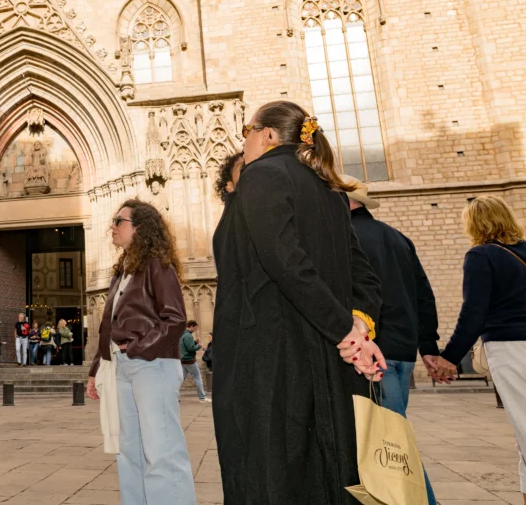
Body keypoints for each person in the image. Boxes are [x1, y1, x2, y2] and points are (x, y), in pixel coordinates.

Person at [212, 100, 386, 504]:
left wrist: (346, 331)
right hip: (327, 358)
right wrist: (357, 328)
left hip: (272, 357)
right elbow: (363, 274)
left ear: (268, 135)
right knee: (328, 471)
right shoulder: (329, 189)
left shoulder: (262, 175)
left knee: (271, 470)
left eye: (247, 131)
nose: (245, 142)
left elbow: (284, 261)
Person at [86, 200, 196, 505]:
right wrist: (97, 368)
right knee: (129, 451)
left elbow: (175, 319)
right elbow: (108, 325)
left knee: (161, 450)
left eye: (118, 221)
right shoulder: (122, 271)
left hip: (153, 365)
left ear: (140, 228)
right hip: (122, 367)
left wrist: (138, 348)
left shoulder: (157, 266)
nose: (112, 226)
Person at [345, 175, 440, 505]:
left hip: (372, 356)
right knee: (388, 433)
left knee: (391, 443)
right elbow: (424, 296)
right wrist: (428, 347)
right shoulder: (399, 238)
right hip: (402, 352)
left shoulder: (345, 237)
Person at [435, 196, 526, 503]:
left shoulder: (481, 255)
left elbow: (474, 311)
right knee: (521, 435)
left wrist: (448, 357)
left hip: (511, 348)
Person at [180, 321, 210, 403]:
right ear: (192, 326)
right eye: (195, 327)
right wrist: (199, 345)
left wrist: (194, 342)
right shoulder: (188, 335)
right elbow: (190, 348)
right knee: (198, 378)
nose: (196, 329)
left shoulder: (182, 334)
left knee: (180, 379)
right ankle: (202, 397)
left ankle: (174, 396)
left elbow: (186, 346)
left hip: (183, 360)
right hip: (189, 360)